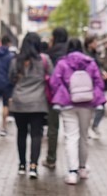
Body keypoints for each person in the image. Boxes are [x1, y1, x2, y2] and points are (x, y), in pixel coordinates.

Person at [49, 38, 105, 185]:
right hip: (86, 104)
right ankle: (82, 168)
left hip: (67, 105)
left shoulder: (62, 63)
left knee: (71, 137)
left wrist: (63, 95)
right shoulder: (90, 62)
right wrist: (97, 99)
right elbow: (99, 82)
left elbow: (54, 82)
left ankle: (72, 172)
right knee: (84, 137)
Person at [9, 32, 52, 179]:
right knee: (36, 134)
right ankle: (33, 166)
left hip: (19, 102)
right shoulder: (44, 60)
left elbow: (11, 79)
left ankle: (22, 165)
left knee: (21, 133)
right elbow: (51, 78)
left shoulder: (16, 61)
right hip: (38, 103)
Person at [44, 27, 69, 168]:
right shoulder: (70, 52)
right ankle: (76, 164)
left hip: (53, 96)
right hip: (72, 96)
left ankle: (51, 159)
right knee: (73, 130)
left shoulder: (50, 53)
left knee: (53, 128)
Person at [84, 35, 107, 138]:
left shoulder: (95, 53)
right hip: (87, 85)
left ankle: (94, 125)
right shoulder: (84, 54)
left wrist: (102, 72)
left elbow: (99, 66)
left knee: (101, 107)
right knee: (88, 108)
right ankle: (87, 128)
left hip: (97, 84)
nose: (96, 44)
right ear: (89, 43)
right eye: (94, 42)